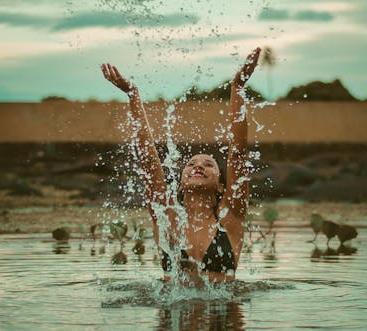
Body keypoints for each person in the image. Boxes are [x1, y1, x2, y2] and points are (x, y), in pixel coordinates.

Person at [101, 47, 261, 284]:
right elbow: (148, 160)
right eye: (191, 164)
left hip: (225, 317)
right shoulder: (167, 216)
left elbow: (237, 153)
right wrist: (133, 95)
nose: (199, 166)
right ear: (181, 184)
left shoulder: (230, 218)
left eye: (209, 164)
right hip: (172, 317)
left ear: (220, 186)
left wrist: (237, 88)